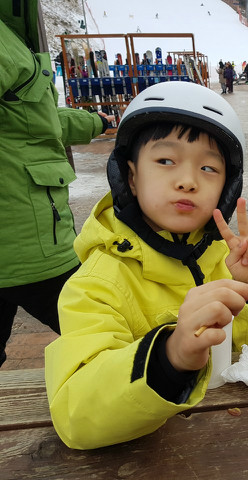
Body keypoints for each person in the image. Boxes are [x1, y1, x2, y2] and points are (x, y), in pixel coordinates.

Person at [45, 82, 248, 449]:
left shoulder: (223, 259)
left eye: (208, 167)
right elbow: (75, 416)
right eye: (166, 161)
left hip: (230, 444)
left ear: (226, 190)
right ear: (131, 177)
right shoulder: (97, 283)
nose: (187, 181)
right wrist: (170, 357)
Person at [0, 2, 114, 368]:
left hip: (32, 237)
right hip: (30, 241)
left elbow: (37, 120)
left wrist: (96, 122)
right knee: (103, 337)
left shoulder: (13, 32)